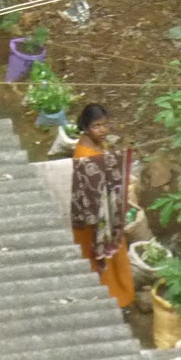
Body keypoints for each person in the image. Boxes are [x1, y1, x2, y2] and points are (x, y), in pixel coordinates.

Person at [69, 103, 135, 307]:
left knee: (114, 255)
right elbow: (90, 187)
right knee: (101, 259)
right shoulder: (83, 154)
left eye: (105, 125)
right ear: (87, 127)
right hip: (94, 218)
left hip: (105, 212)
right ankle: (109, 299)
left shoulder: (97, 145)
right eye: (97, 126)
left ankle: (121, 295)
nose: (103, 130)